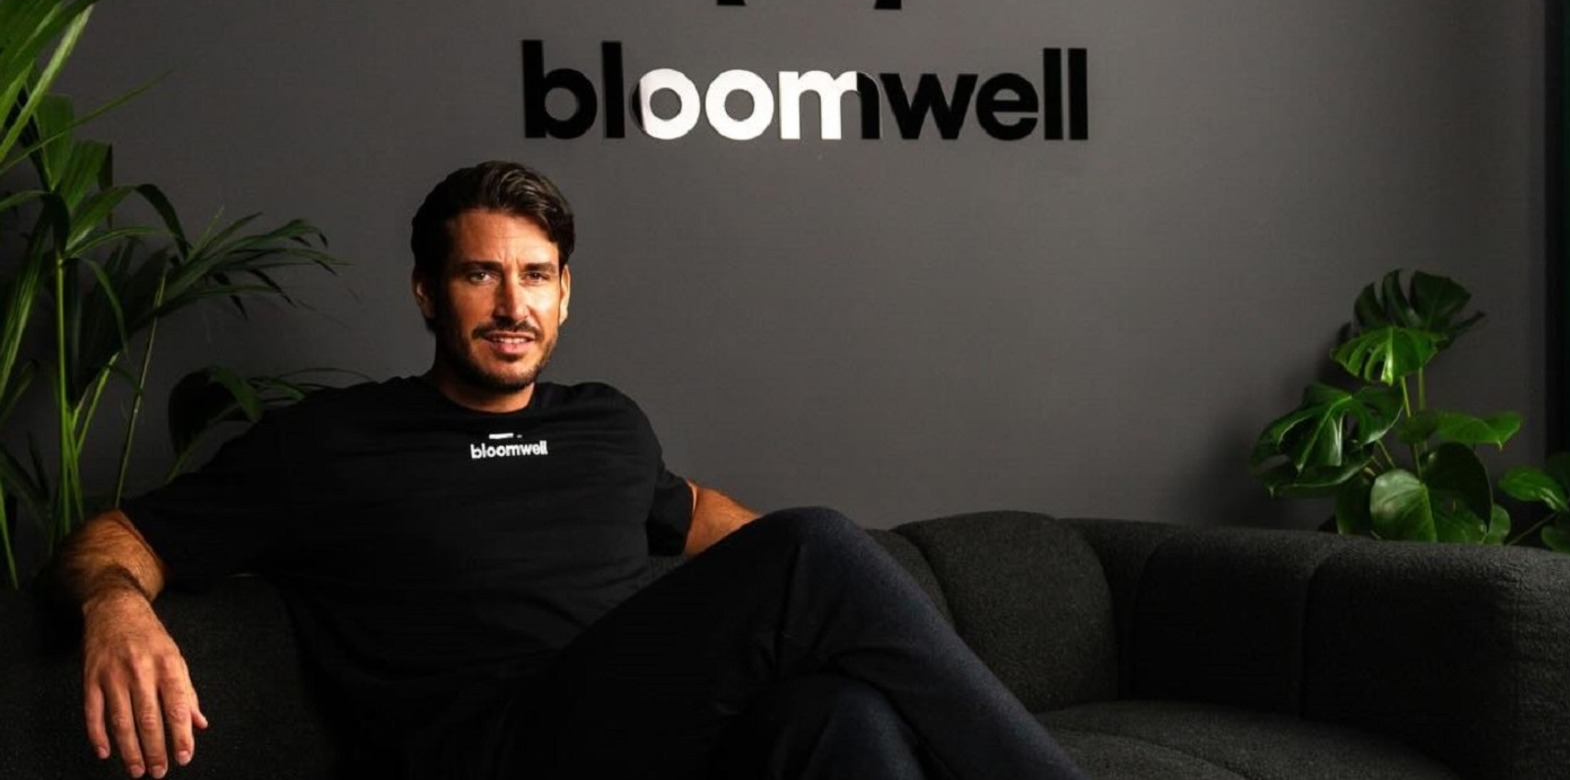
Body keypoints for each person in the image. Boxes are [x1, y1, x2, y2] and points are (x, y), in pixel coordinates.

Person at [52, 161, 1089, 780]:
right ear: (426, 292)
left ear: (564, 294)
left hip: (637, 736)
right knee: (815, 544)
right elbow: (123, 537)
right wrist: (115, 606)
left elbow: (696, 514)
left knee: (839, 717)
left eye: (536, 277)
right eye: (481, 274)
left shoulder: (605, 426)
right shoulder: (330, 442)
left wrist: (806, 594)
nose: (513, 306)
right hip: (487, 750)